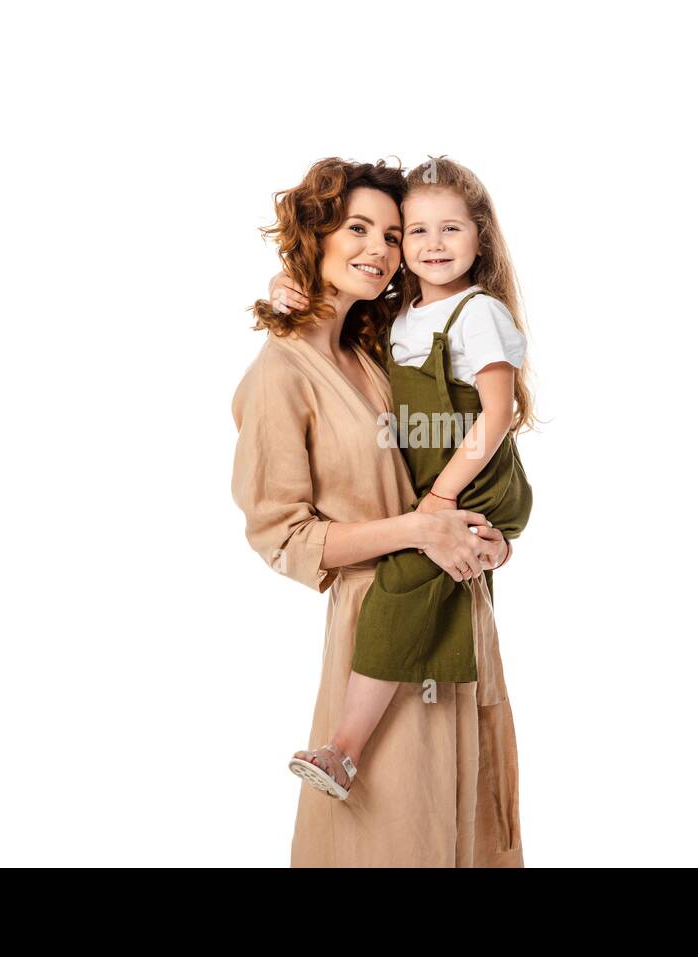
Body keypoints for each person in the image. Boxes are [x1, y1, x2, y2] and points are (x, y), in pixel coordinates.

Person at [232, 157, 524, 866]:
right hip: (378, 632)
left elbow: (466, 444)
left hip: (455, 610)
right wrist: (420, 527)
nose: (379, 248)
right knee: (390, 835)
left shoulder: (374, 347)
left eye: (392, 235)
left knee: (470, 831)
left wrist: (489, 540)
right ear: (316, 236)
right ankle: (344, 751)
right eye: (356, 228)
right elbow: (285, 536)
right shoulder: (280, 374)